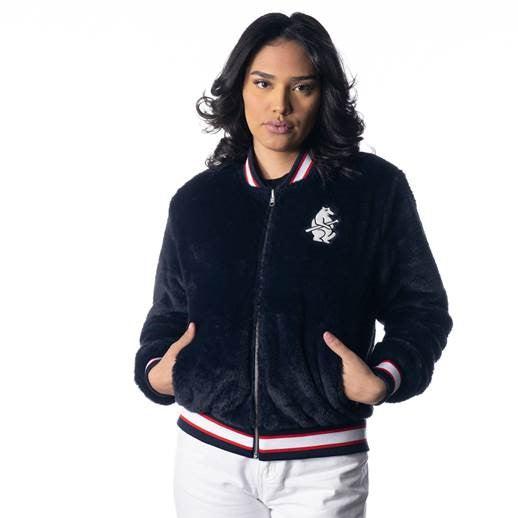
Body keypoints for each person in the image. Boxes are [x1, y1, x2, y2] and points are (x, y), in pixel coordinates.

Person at [134, 11, 453, 518]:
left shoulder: (373, 190)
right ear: (240, 87)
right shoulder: (197, 201)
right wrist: (156, 371)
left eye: (301, 87)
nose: (280, 105)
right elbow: (169, 313)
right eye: (263, 83)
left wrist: (386, 374)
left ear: (323, 95)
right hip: (208, 459)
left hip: (322, 464)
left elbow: (422, 307)